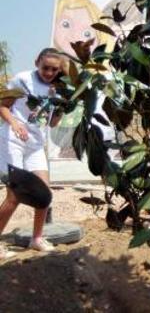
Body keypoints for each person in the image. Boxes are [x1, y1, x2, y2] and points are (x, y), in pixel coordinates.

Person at [0, 48, 67, 258]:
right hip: (13, 140)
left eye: (54, 69)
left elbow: (53, 123)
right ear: (37, 62)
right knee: (14, 195)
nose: (48, 72)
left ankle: (36, 238)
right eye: (45, 67)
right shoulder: (22, 79)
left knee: (44, 194)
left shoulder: (58, 88)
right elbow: (3, 106)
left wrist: (64, 107)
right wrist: (14, 124)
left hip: (36, 144)